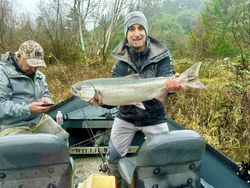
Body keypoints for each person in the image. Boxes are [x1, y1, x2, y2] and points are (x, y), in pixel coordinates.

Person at [88, 11, 186, 186]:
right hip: (126, 117)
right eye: (131, 29)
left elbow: (166, 83)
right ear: (126, 34)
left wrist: (172, 87)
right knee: (113, 157)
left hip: (154, 116)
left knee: (165, 157)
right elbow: (113, 98)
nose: (137, 33)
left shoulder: (163, 56)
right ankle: (119, 183)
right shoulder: (119, 64)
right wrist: (101, 102)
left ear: (146, 31)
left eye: (140, 28)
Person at [0, 40, 69, 142]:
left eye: (37, 65)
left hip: (38, 120)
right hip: (13, 125)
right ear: (18, 56)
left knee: (61, 140)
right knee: (31, 149)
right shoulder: (3, 73)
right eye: (31, 64)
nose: (35, 69)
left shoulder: (38, 75)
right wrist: (28, 109)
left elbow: (45, 92)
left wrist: (47, 99)